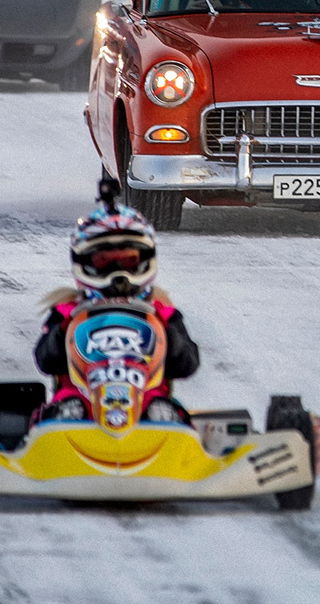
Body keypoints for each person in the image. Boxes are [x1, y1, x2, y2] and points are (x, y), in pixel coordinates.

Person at [33, 179, 200, 423]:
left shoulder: (161, 313)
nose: (119, 273)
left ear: (145, 260)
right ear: (85, 263)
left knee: (163, 408)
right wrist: (62, 331)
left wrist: (169, 336)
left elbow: (187, 364)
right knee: (67, 406)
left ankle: (165, 432)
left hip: (148, 406)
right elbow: (45, 360)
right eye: (105, 262)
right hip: (80, 402)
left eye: (128, 261)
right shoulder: (67, 312)